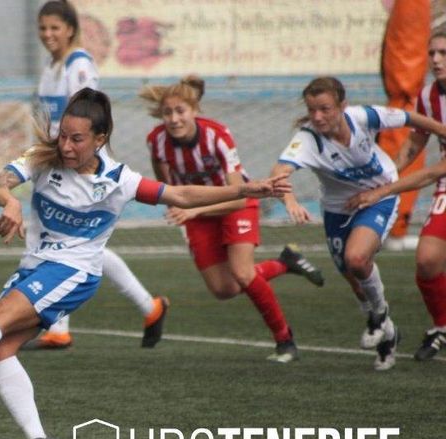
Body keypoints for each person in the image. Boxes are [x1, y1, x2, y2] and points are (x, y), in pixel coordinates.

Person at [0, 88, 292, 439]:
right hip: (35, 266)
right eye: (63, 136)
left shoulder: (119, 180)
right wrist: (11, 201)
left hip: (74, 272)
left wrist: (246, 189)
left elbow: (181, 195)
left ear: (100, 139)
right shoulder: (42, 157)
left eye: (77, 139)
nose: (66, 146)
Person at [139, 76, 324, 364]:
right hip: (196, 211)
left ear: (195, 110)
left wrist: (193, 211)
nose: (174, 119)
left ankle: (284, 340)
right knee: (224, 289)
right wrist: (180, 205)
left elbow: (238, 197)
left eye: (180, 111)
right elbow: (167, 183)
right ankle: (285, 263)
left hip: (235, 203)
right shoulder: (157, 141)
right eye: (167, 113)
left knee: (243, 273)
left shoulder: (217, 136)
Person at [270, 76, 446, 370]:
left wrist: (442, 130)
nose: (318, 117)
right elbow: (278, 172)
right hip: (338, 210)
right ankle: (388, 333)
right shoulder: (308, 139)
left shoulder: (363, 116)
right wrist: (290, 201)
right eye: (312, 110)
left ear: (343, 106)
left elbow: (409, 118)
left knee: (357, 258)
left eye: (325, 109)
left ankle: (379, 316)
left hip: (379, 195)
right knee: (355, 279)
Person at [27, 0, 168, 350]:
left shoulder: (79, 64)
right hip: (59, 160)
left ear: (70, 29)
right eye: (43, 28)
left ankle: (58, 326)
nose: (48, 34)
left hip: (80, 163)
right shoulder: (51, 66)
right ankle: (148, 308)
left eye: (55, 27)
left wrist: (73, 154)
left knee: (63, 238)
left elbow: (87, 116)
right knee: (79, 242)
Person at [346, 32, 446, 360]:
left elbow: (433, 171)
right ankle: (442, 327)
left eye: (443, 53)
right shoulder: (428, 96)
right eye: (432, 53)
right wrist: (385, 175)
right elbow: (415, 143)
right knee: (427, 260)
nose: (436, 60)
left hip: (440, 174)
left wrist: (384, 190)